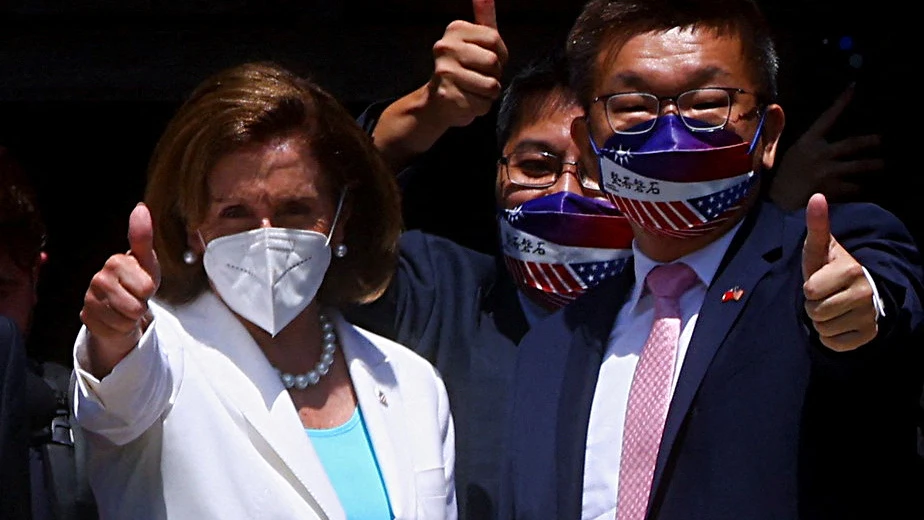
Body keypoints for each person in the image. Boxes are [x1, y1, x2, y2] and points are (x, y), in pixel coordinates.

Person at [499, 0, 924, 519]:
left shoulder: (821, 265)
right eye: (633, 105)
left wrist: (855, 315)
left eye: (706, 102)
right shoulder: (552, 346)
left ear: (767, 136)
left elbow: (881, 316)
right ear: (588, 148)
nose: (670, 130)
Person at [71, 61, 455, 520]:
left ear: (340, 219)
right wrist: (113, 333)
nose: (267, 234)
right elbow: (115, 395)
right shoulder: (164, 356)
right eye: (235, 212)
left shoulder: (411, 383)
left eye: (296, 209)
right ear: (194, 226)